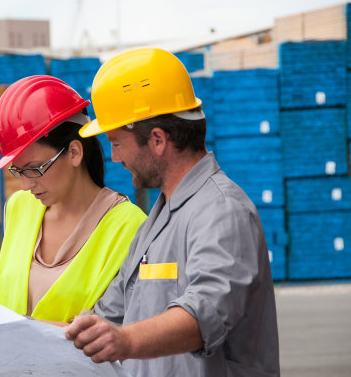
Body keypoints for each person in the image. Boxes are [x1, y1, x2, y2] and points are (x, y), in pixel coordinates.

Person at [65, 48, 280, 376]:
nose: (114, 157)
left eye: (117, 143)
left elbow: (205, 313)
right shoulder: (157, 222)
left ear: (157, 140)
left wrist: (126, 340)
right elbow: (102, 323)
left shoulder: (222, 212)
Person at [0, 75, 146, 352]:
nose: (26, 184)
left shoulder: (129, 227)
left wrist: (6, 326)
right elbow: (22, 312)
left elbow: (117, 331)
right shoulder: (19, 208)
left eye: (34, 168)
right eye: (17, 171)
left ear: (75, 153)